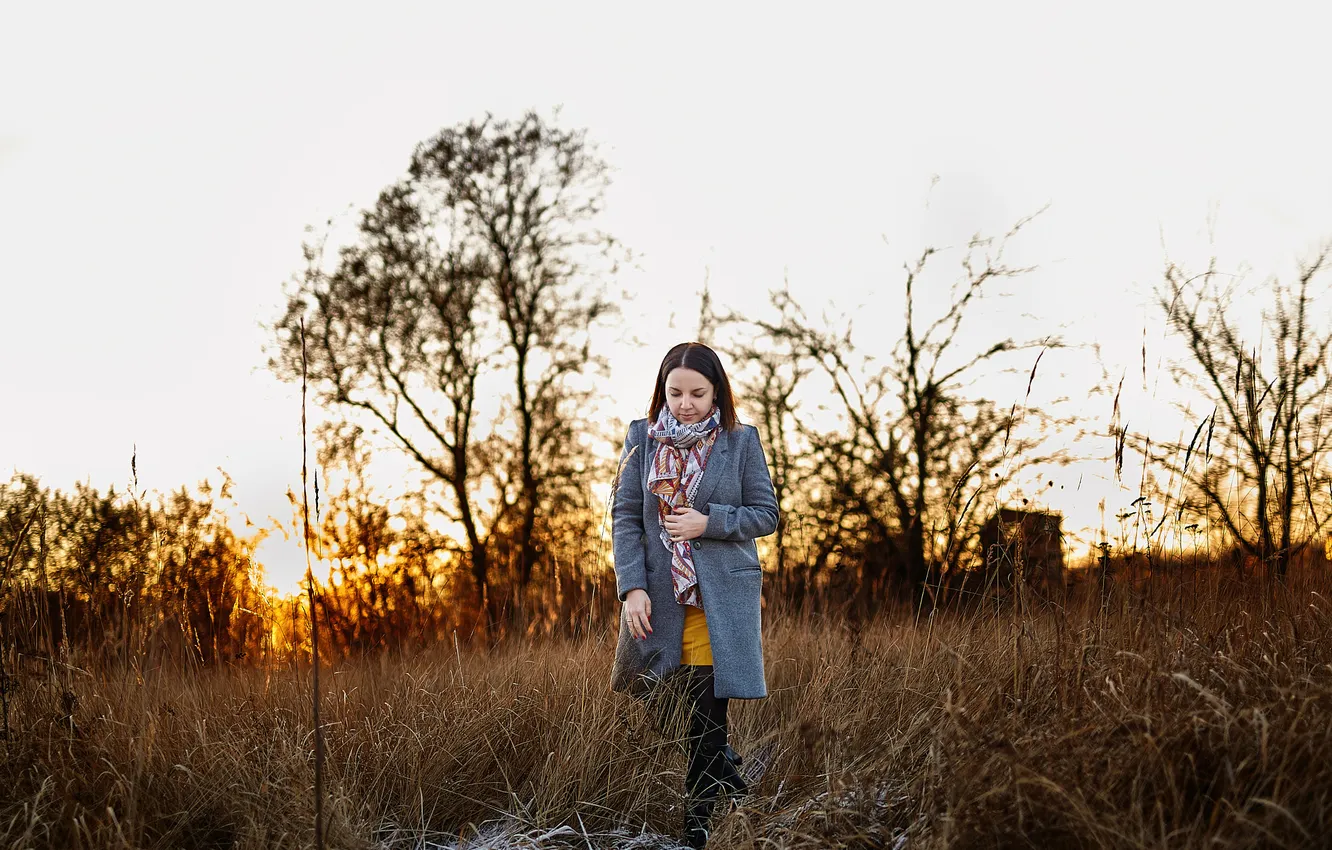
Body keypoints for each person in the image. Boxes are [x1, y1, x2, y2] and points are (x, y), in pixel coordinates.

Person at [609, 341, 780, 848]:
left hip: (718, 598)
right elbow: (625, 516)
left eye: (697, 393)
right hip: (658, 597)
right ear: (662, 391)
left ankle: (697, 829)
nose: (685, 403)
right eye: (675, 392)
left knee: (707, 714)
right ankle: (726, 765)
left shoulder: (741, 441)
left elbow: (766, 515)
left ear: (717, 394)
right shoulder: (640, 438)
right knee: (656, 698)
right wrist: (631, 587)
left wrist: (710, 522)